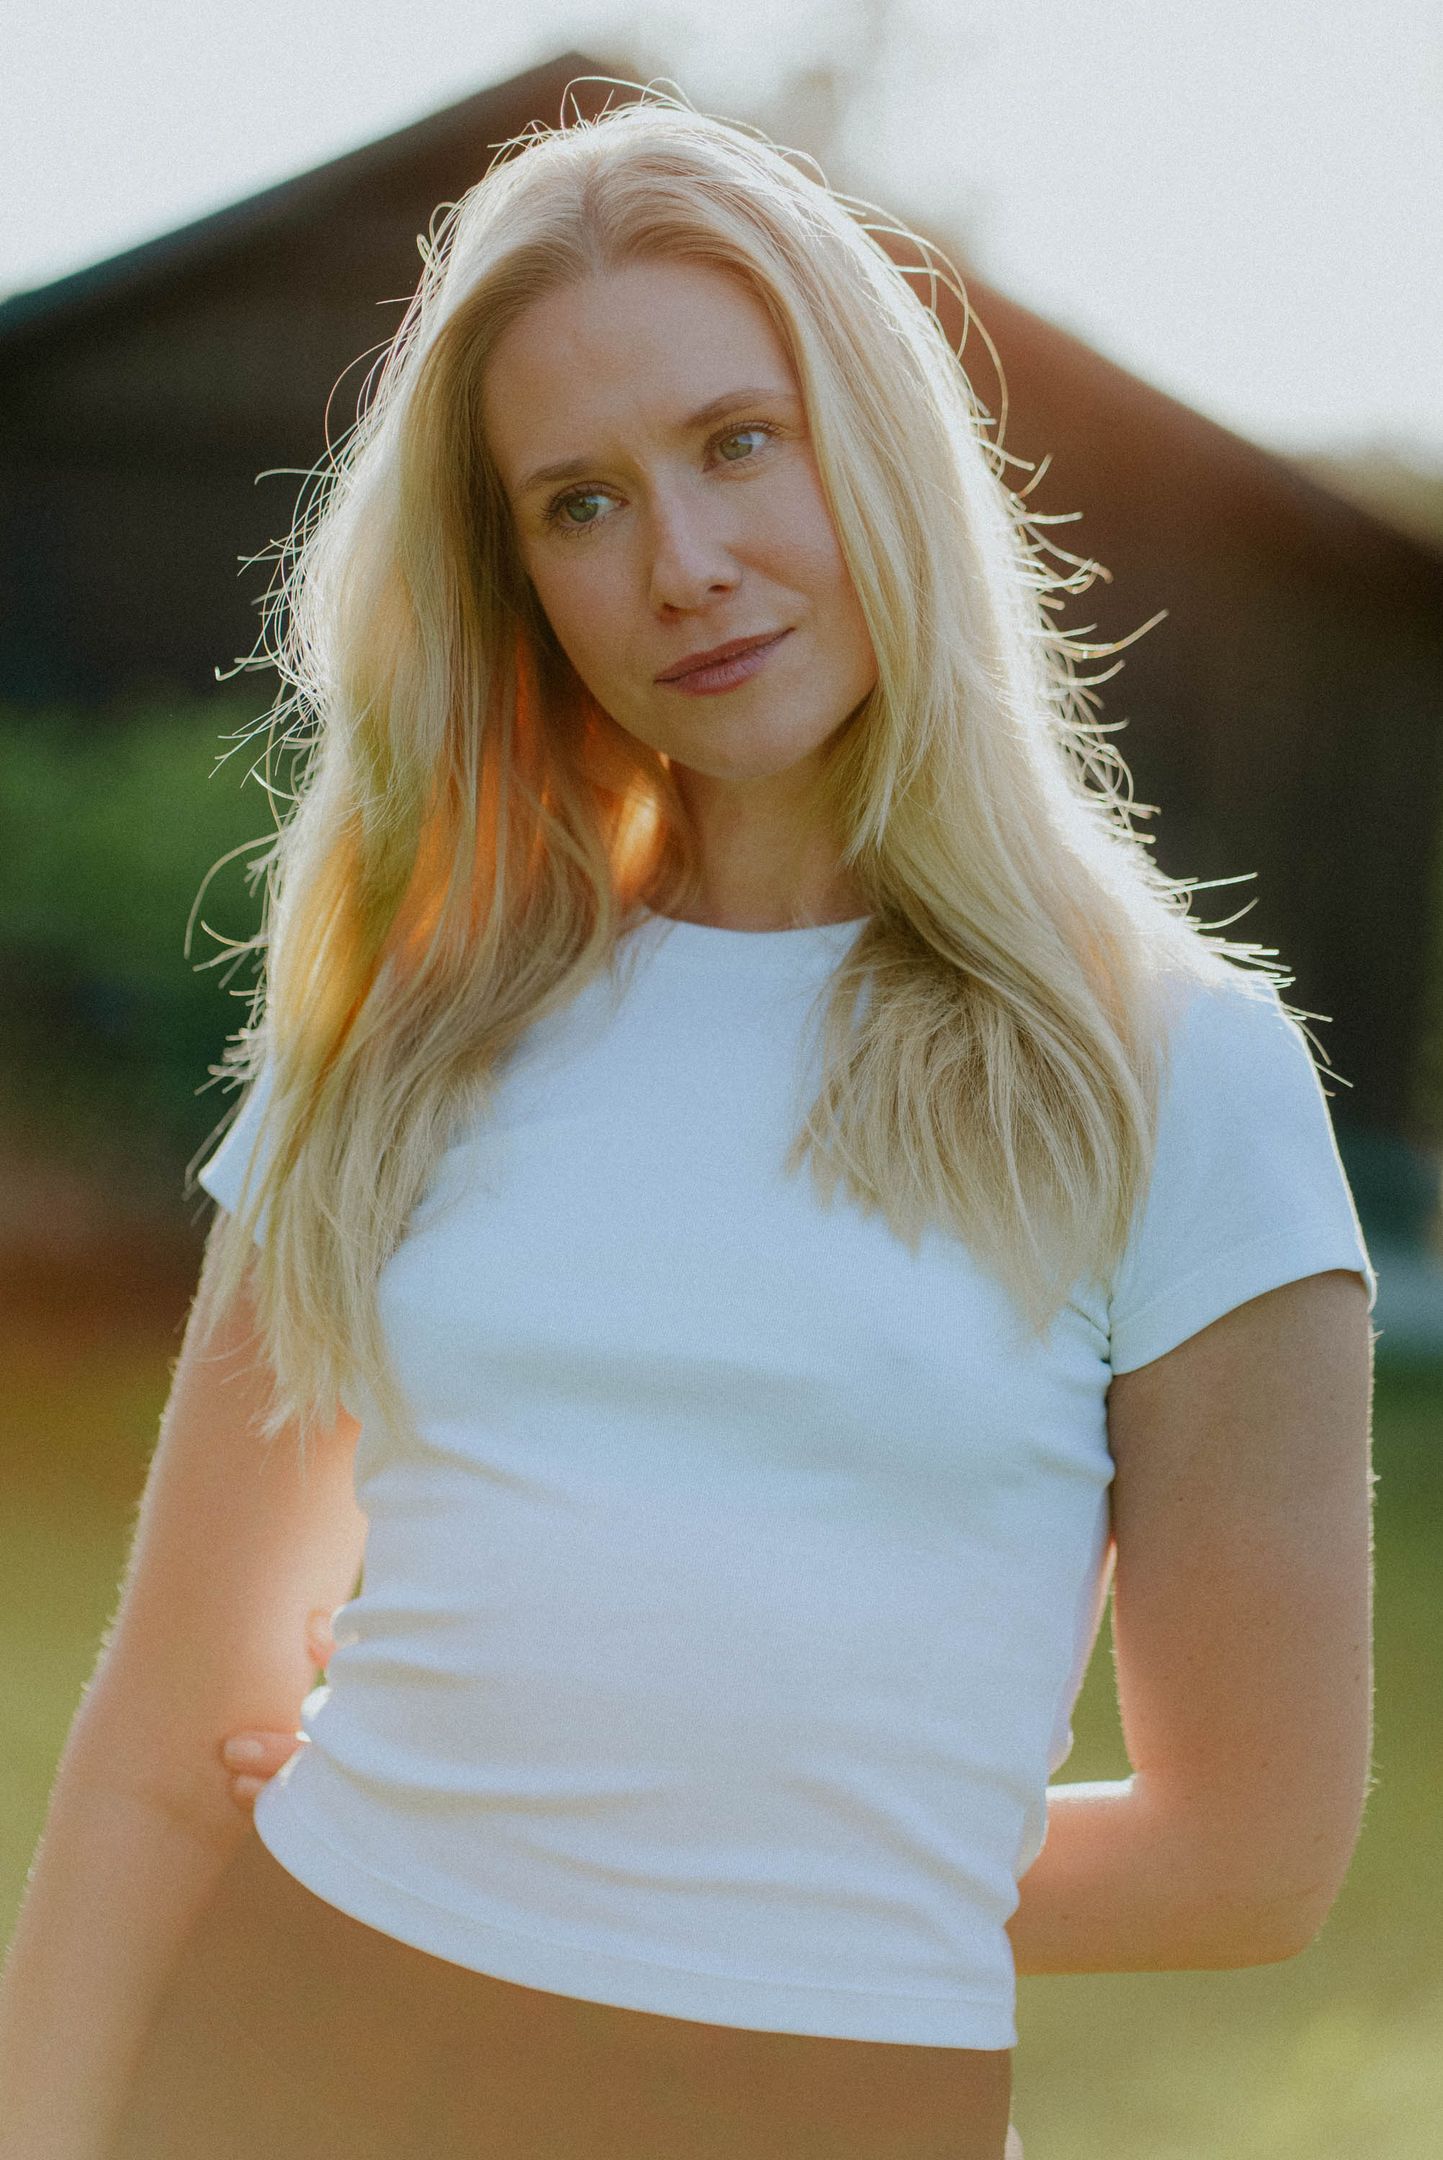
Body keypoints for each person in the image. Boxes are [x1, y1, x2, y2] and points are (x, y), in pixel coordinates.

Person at [0, 88, 1377, 2160]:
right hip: (286, 2049)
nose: (685, 566)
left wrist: (728, 1914)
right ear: (516, 578)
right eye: (581, 502)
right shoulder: (407, 1027)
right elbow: (160, 1740)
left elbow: (1246, 1862)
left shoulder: (1177, 1071)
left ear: (877, 444)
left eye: (739, 442)